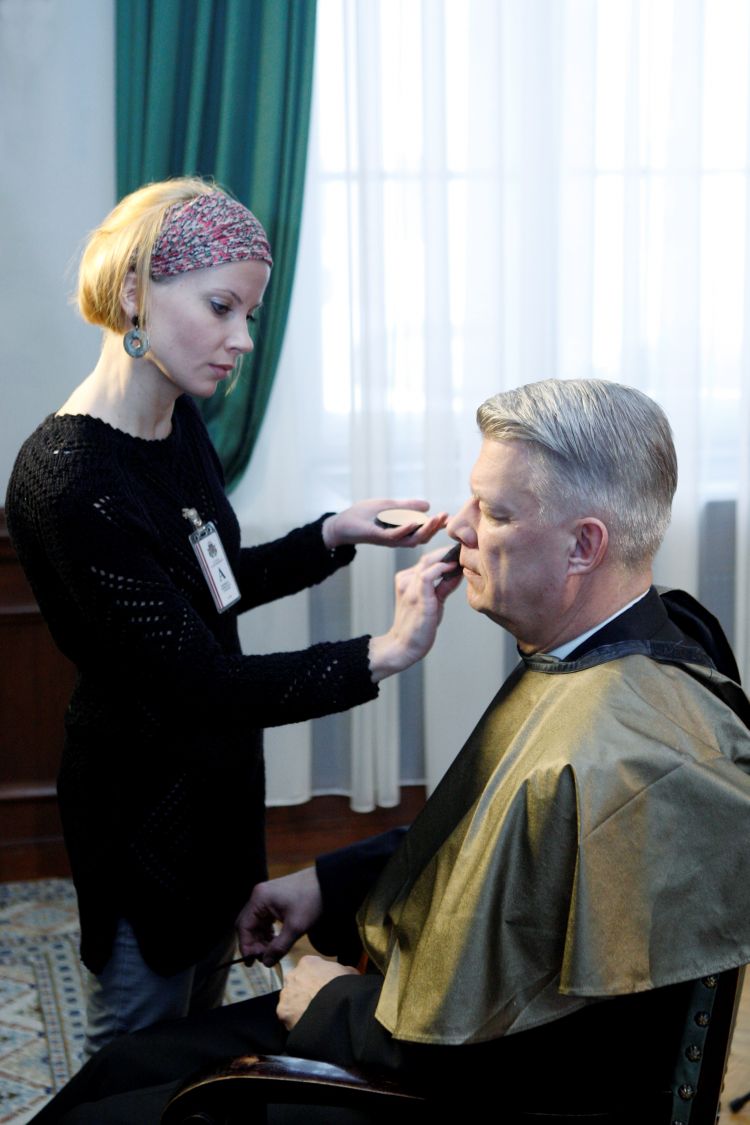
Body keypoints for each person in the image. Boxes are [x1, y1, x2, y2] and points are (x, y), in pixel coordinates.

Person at [27, 379, 750, 1123]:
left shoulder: (631, 762)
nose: (459, 526)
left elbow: (555, 1064)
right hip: (411, 1029)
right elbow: (500, 842)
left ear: (584, 546)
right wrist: (329, 882)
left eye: (495, 512)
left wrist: (332, 1002)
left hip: (447, 1084)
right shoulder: (625, 646)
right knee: (121, 1068)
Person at [5, 176, 454, 1058]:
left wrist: (331, 533)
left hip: (216, 794)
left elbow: (208, 589)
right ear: (133, 291)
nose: (243, 339)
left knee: (201, 1045)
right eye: (221, 307)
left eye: (249, 312)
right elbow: (201, 680)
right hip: (143, 818)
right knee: (134, 1064)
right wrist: (386, 651)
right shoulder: (71, 482)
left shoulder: (175, 422)